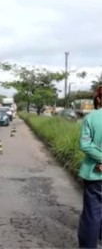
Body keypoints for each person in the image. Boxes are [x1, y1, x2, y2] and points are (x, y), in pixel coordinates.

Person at [77, 85, 102, 249]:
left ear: (99, 98)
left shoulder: (92, 118)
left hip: (95, 174)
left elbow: (85, 144)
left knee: (92, 213)